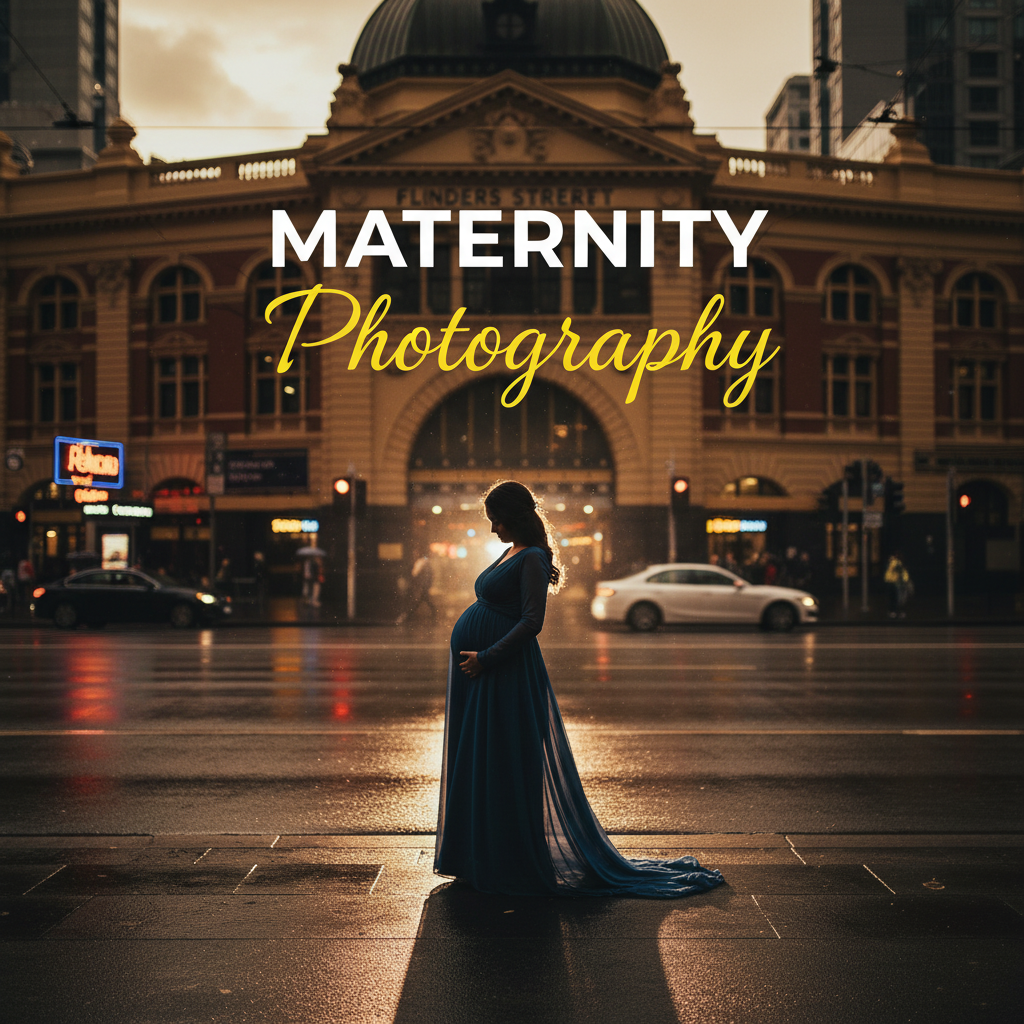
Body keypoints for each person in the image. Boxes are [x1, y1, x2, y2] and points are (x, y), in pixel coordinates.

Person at [435, 480, 724, 898]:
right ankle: (479, 855)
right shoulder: (509, 551)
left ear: (513, 517)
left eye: (496, 519)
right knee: (483, 759)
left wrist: (487, 656)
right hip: (483, 674)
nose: (492, 528)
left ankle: (507, 857)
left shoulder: (532, 557)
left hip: (502, 672)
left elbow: (532, 622)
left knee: (503, 762)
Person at [396, 548, 435, 624]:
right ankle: (409, 615)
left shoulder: (420, 562)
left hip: (421, 585)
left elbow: (415, 574)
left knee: (417, 601)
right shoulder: (426, 562)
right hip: (424, 585)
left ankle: (407, 615)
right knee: (422, 600)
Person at [884, 552, 913, 619]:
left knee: (894, 598)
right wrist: (906, 580)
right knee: (898, 598)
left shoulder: (892, 562)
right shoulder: (897, 563)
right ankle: (898, 611)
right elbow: (903, 573)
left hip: (892, 582)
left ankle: (893, 611)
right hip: (896, 583)